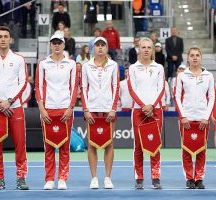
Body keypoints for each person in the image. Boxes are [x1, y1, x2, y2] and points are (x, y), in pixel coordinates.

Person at [0, 26, 29, 190]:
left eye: (5, 36)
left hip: (14, 107)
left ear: (10, 39)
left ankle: (21, 177)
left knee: (19, 144)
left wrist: (9, 101)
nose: (2, 39)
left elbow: (23, 83)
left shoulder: (18, 59)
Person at [35, 33, 78, 190]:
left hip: (65, 110)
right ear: (50, 45)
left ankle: (62, 178)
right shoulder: (43, 64)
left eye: (59, 42)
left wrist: (70, 107)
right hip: (47, 110)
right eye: (54, 43)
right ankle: (49, 179)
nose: (57, 45)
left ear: (64, 45)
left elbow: (74, 87)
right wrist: (42, 109)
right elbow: (38, 87)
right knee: (49, 146)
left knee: (65, 147)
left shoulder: (71, 64)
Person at [81, 36, 119, 189]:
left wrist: (113, 108)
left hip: (108, 110)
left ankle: (108, 178)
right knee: (92, 144)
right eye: (97, 45)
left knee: (109, 143)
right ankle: (94, 177)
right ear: (93, 48)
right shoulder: (86, 66)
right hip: (92, 109)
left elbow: (116, 87)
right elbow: (83, 88)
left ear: (107, 48)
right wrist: (86, 109)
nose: (100, 48)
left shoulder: (114, 65)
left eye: (103, 45)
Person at [127, 37, 165, 189]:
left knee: (155, 144)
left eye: (149, 47)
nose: (147, 50)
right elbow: (131, 89)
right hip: (138, 111)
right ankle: (139, 178)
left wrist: (152, 105)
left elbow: (161, 88)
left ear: (152, 50)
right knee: (138, 146)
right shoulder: (132, 68)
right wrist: (144, 106)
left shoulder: (159, 68)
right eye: (144, 47)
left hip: (155, 110)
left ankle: (155, 178)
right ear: (139, 49)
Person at [175, 47, 215, 189]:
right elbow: (177, 97)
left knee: (201, 150)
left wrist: (206, 117)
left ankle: (199, 178)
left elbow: (212, 97)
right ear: (188, 58)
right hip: (187, 118)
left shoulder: (209, 76)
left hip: (202, 118)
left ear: (201, 57)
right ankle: (189, 178)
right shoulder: (182, 76)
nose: (195, 58)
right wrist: (183, 116)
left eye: (197, 55)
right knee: (186, 149)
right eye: (192, 55)